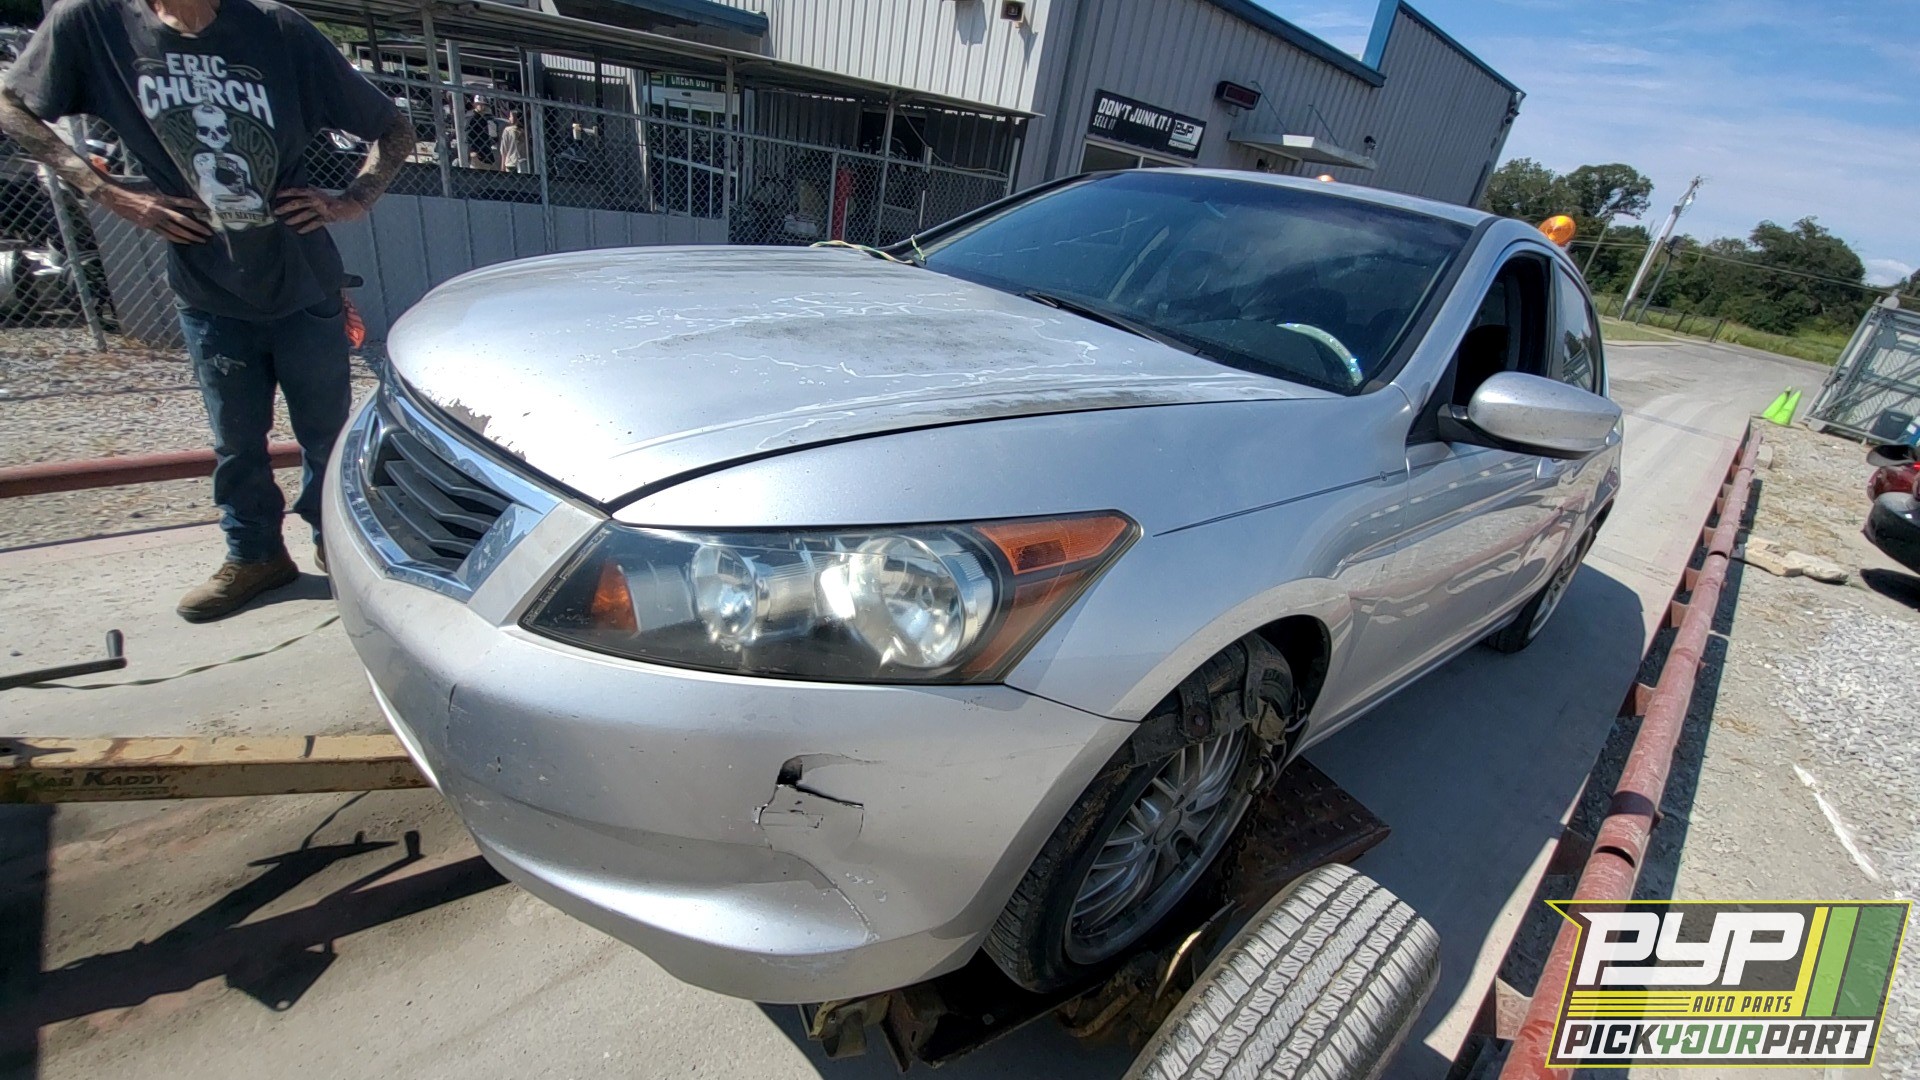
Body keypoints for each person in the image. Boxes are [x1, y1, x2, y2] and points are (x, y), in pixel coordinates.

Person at [0, 0, 412, 621]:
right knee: (235, 439)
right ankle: (254, 555)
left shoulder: (277, 29)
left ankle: (336, 546)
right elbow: (13, 105)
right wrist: (106, 191)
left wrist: (354, 198)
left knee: (328, 435)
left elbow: (394, 128)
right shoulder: (93, 23)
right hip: (208, 288)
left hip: (304, 283)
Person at [463, 97, 495, 168]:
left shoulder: (482, 117)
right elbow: (468, 135)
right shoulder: (472, 117)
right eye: (480, 104)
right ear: (475, 105)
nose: (483, 107)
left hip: (484, 151)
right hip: (477, 152)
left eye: (484, 105)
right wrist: (472, 151)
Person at [497, 108, 527, 173]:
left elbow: (504, 149)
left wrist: (502, 167)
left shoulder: (507, 130)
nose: (509, 118)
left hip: (511, 162)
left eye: (510, 116)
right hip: (522, 161)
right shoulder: (524, 131)